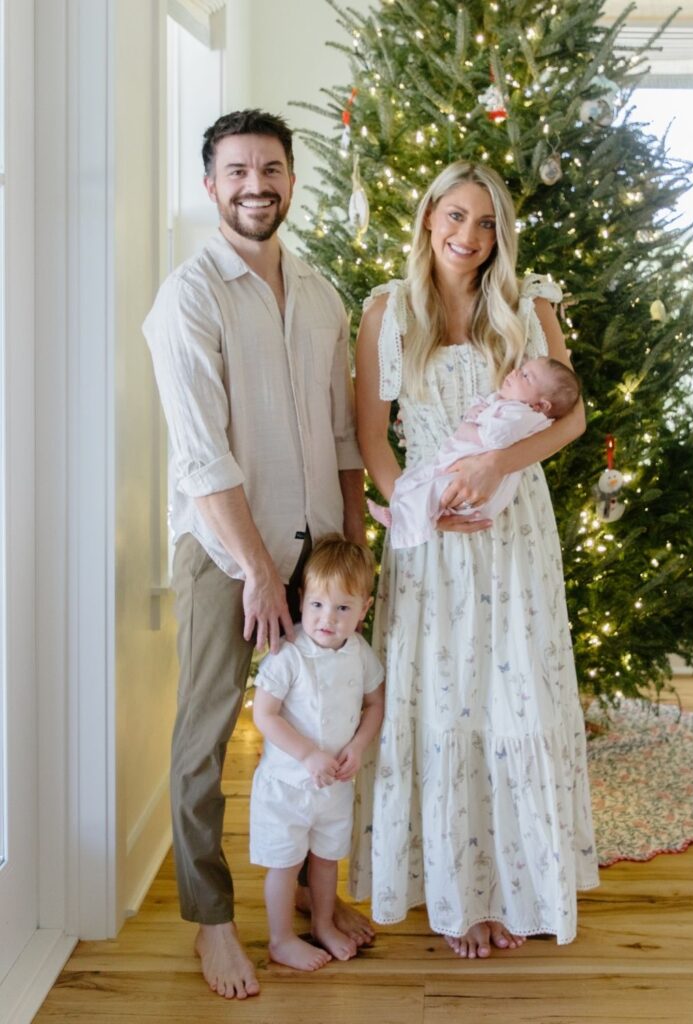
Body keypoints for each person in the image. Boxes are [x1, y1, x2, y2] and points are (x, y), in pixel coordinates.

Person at [143, 109, 372, 1000]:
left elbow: (342, 439)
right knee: (203, 741)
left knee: (328, 731)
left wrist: (354, 554)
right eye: (236, 171)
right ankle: (211, 924)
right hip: (226, 557)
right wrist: (256, 573)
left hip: (322, 566)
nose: (255, 185)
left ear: (289, 178)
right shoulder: (188, 297)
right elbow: (203, 457)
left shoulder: (319, 292)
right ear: (211, 185)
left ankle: (320, 903)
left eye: (269, 169)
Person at [350, 160, 599, 958]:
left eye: (486, 223)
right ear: (428, 219)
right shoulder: (387, 313)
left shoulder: (527, 306)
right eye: (455, 217)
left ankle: (515, 887)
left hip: (512, 531)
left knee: (512, 701)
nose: (469, 236)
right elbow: (368, 437)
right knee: (446, 704)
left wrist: (497, 467)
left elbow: (569, 423)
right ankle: (455, 896)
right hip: (429, 543)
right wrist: (415, 509)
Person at [250, 534, 385, 971]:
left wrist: (359, 745)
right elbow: (265, 715)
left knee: (327, 861)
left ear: (363, 611)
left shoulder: (360, 655)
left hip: (335, 786)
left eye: (343, 608)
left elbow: (374, 703)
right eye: (318, 606)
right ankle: (281, 938)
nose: (328, 619)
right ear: (303, 601)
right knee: (285, 866)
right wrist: (307, 755)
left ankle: (324, 924)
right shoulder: (289, 656)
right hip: (288, 787)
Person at [367, 356, 581, 549]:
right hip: (455, 469)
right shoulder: (513, 405)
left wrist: (486, 452)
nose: (515, 372)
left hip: (488, 491)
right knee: (423, 483)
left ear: (541, 405)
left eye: (526, 376)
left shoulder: (521, 414)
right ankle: (402, 510)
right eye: (521, 368)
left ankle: (403, 517)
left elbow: (493, 436)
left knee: (437, 489)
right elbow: (372, 436)